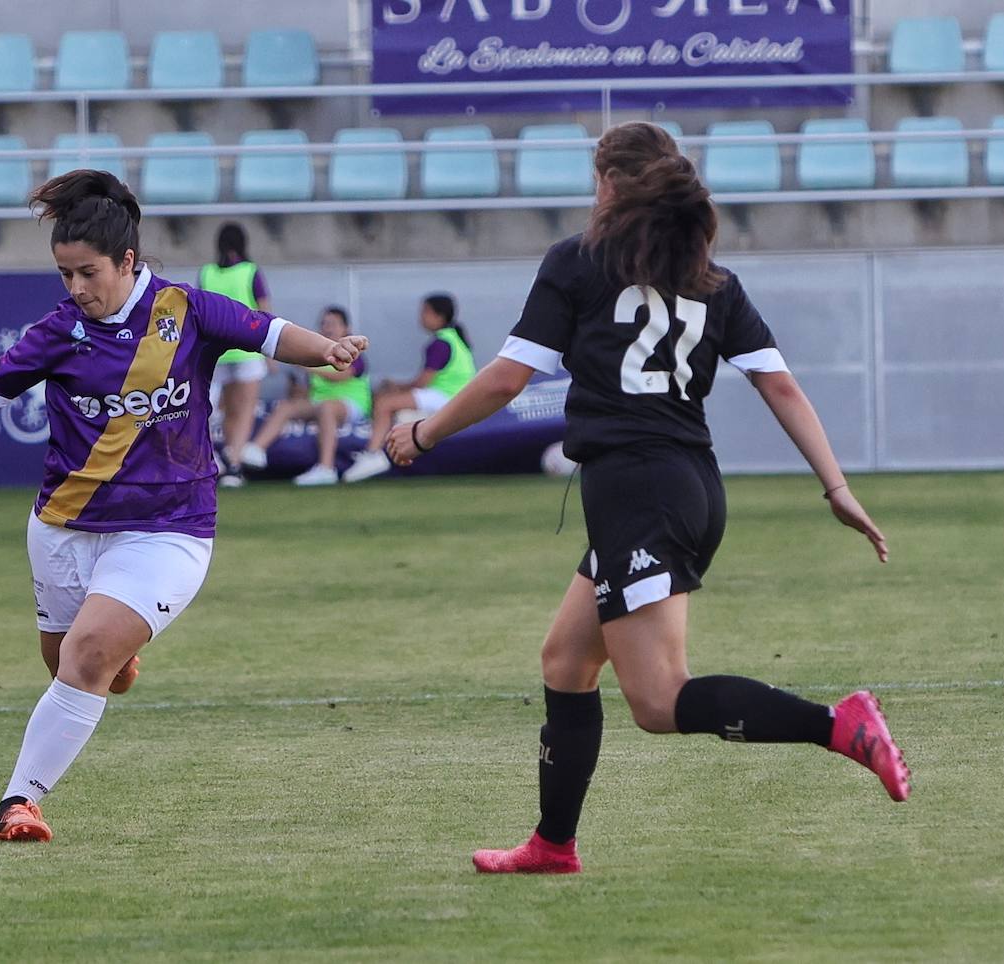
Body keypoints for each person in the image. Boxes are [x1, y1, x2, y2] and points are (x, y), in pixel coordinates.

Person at [385, 122, 908, 875]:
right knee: (566, 658)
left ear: (607, 186)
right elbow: (780, 384)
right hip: (683, 485)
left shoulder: (578, 263)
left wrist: (422, 435)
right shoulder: (711, 278)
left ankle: (840, 725)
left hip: (639, 493)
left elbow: (507, 379)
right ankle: (551, 845)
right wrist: (838, 486)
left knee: (660, 703)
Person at [0, 170, 367, 844]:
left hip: (169, 528)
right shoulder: (59, 331)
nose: (76, 288)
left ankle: (18, 803)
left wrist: (325, 349)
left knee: (86, 655)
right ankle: (115, 654)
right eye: (64, 274)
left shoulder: (190, 310)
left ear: (127, 262)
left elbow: (270, 334)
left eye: (87, 273)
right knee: (65, 661)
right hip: (63, 528)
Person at [342, 293, 475, 483]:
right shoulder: (454, 338)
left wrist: (395, 387)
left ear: (438, 315)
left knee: (384, 402)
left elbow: (423, 382)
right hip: (455, 395)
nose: (420, 317)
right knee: (389, 399)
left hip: (447, 396)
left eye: (424, 312)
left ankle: (374, 454)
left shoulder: (441, 343)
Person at [240, 305, 372, 486]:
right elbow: (307, 392)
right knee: (288, 407)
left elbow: (342, 375)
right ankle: (256, 449)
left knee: (327, 409)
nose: (328, 328)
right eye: (324, 324)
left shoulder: (352, 352)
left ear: (346, 328)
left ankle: (326, 468)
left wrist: (309, 368)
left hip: (351, 404)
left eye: (333, 324)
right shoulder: (316, 353)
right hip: (319, 403)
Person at [199, 222, 271, 488]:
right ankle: (234, 462)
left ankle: (218, 459)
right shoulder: (250, 271)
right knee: (244, 411)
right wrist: (272, 356)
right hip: (249, 349)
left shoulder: (207, 272)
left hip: (217, 351)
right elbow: (265, 311)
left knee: (219, 410)